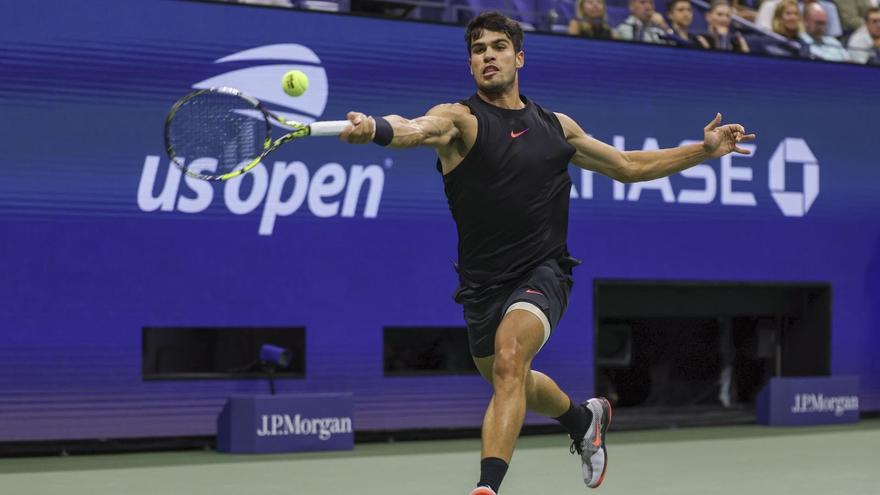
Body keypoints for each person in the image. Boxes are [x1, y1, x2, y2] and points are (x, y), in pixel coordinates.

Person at [339, 11, 755, 495]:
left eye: (498, 47)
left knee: (511, 359)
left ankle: (486, 487)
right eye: (477, 50)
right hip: (481, 285)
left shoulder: (556, 127)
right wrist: (376, 129)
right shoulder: (460, 120)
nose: (487, 56)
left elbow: (626, 166)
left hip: (544, 271)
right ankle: (583, 420)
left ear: (519, 57)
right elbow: (415, 127)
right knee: (510, 378)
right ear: (470, 65)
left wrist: (702, 152)